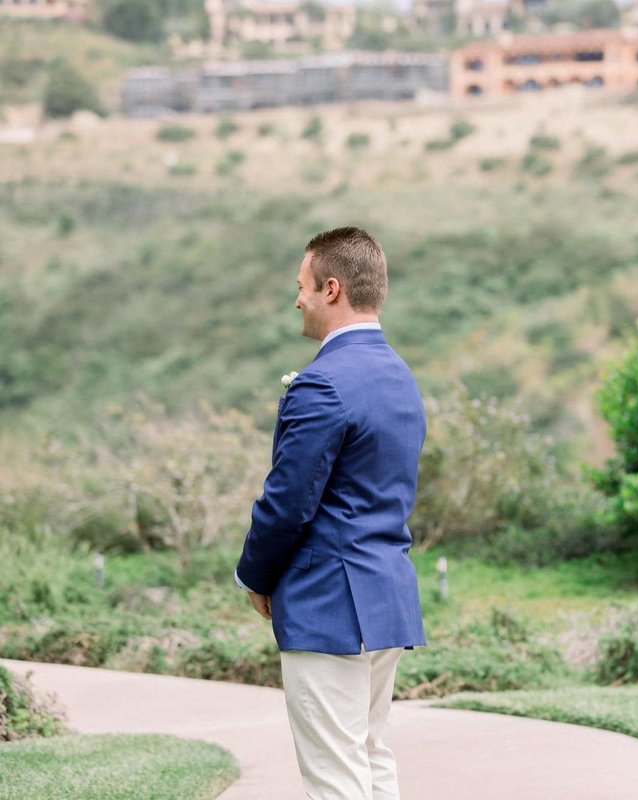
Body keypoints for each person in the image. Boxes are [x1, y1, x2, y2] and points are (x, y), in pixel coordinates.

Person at [235, 226, 426, 800]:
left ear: (332, 289)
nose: (297, 298)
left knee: (335, 777)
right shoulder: (400, 376)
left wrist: (255, 574)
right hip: (385, 593)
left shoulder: (322, 384)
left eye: (302, 286)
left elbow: (288, 503)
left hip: (328, 603)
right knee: (369, 756)